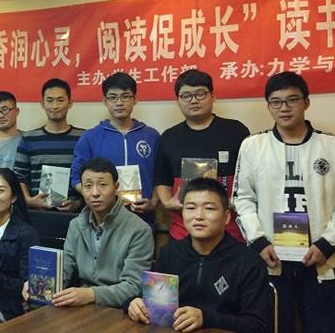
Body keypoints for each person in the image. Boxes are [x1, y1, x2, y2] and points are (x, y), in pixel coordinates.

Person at [233, 71, 335, 333]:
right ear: (268, 106)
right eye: (276, 102)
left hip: (322, 258)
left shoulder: (330, 146)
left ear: (306, 102)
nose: (284, 108)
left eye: (292, 100)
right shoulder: (252, 146)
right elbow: (242, 198)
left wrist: (327, 243)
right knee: (276, 326)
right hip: (272, 258)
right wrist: (259, 242)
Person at [128, 177, 269, 333]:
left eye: (209, 208)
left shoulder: (248, 262)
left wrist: (207, 318)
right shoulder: (169, 254)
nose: (198, 216)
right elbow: (150, 300)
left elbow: (258, 325)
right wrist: (133, 304)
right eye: (191, 208)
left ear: (227, 217)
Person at [154, 69, 248, 241]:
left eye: (200, 94)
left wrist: (236, 201)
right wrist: (168, 202)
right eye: (186, 96)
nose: (193, 100)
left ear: (213, 96)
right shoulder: (169, 137)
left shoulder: (236, 131)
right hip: (183, 232)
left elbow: (250, 178)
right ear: (178, 101)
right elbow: (162, 179)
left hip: (230, 232)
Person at [52, 158, 153, 308]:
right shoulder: (76, 225)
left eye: (103, 185)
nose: (95, 193)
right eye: (88, 186)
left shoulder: (139, 230)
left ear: (116, 187)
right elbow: (64, 268)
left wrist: (91, 294)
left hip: (118, 309)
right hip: (81, 305)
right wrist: (43, 282)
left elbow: (133, 287)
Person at [71, 73, 160, 221]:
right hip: (103, 219)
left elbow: (161, 176)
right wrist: (96, 196)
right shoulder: (90, 137)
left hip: (144, 218)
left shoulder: (151, 136)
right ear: (104, 101)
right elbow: (75, 178)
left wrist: (154, 202)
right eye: (113, 97)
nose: (119, 103)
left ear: (135, 99)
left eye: (125, 96)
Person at [14, 78, 84, 211]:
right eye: (50, 100)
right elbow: (19, 176)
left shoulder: (83, 138)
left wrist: (78, 203)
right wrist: (28, 200)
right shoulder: (28, 139)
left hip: (75, 215)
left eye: (60, 100)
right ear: (42, 104)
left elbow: (90, 176)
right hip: (37, 214)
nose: (55, 106)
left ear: (70, 103)